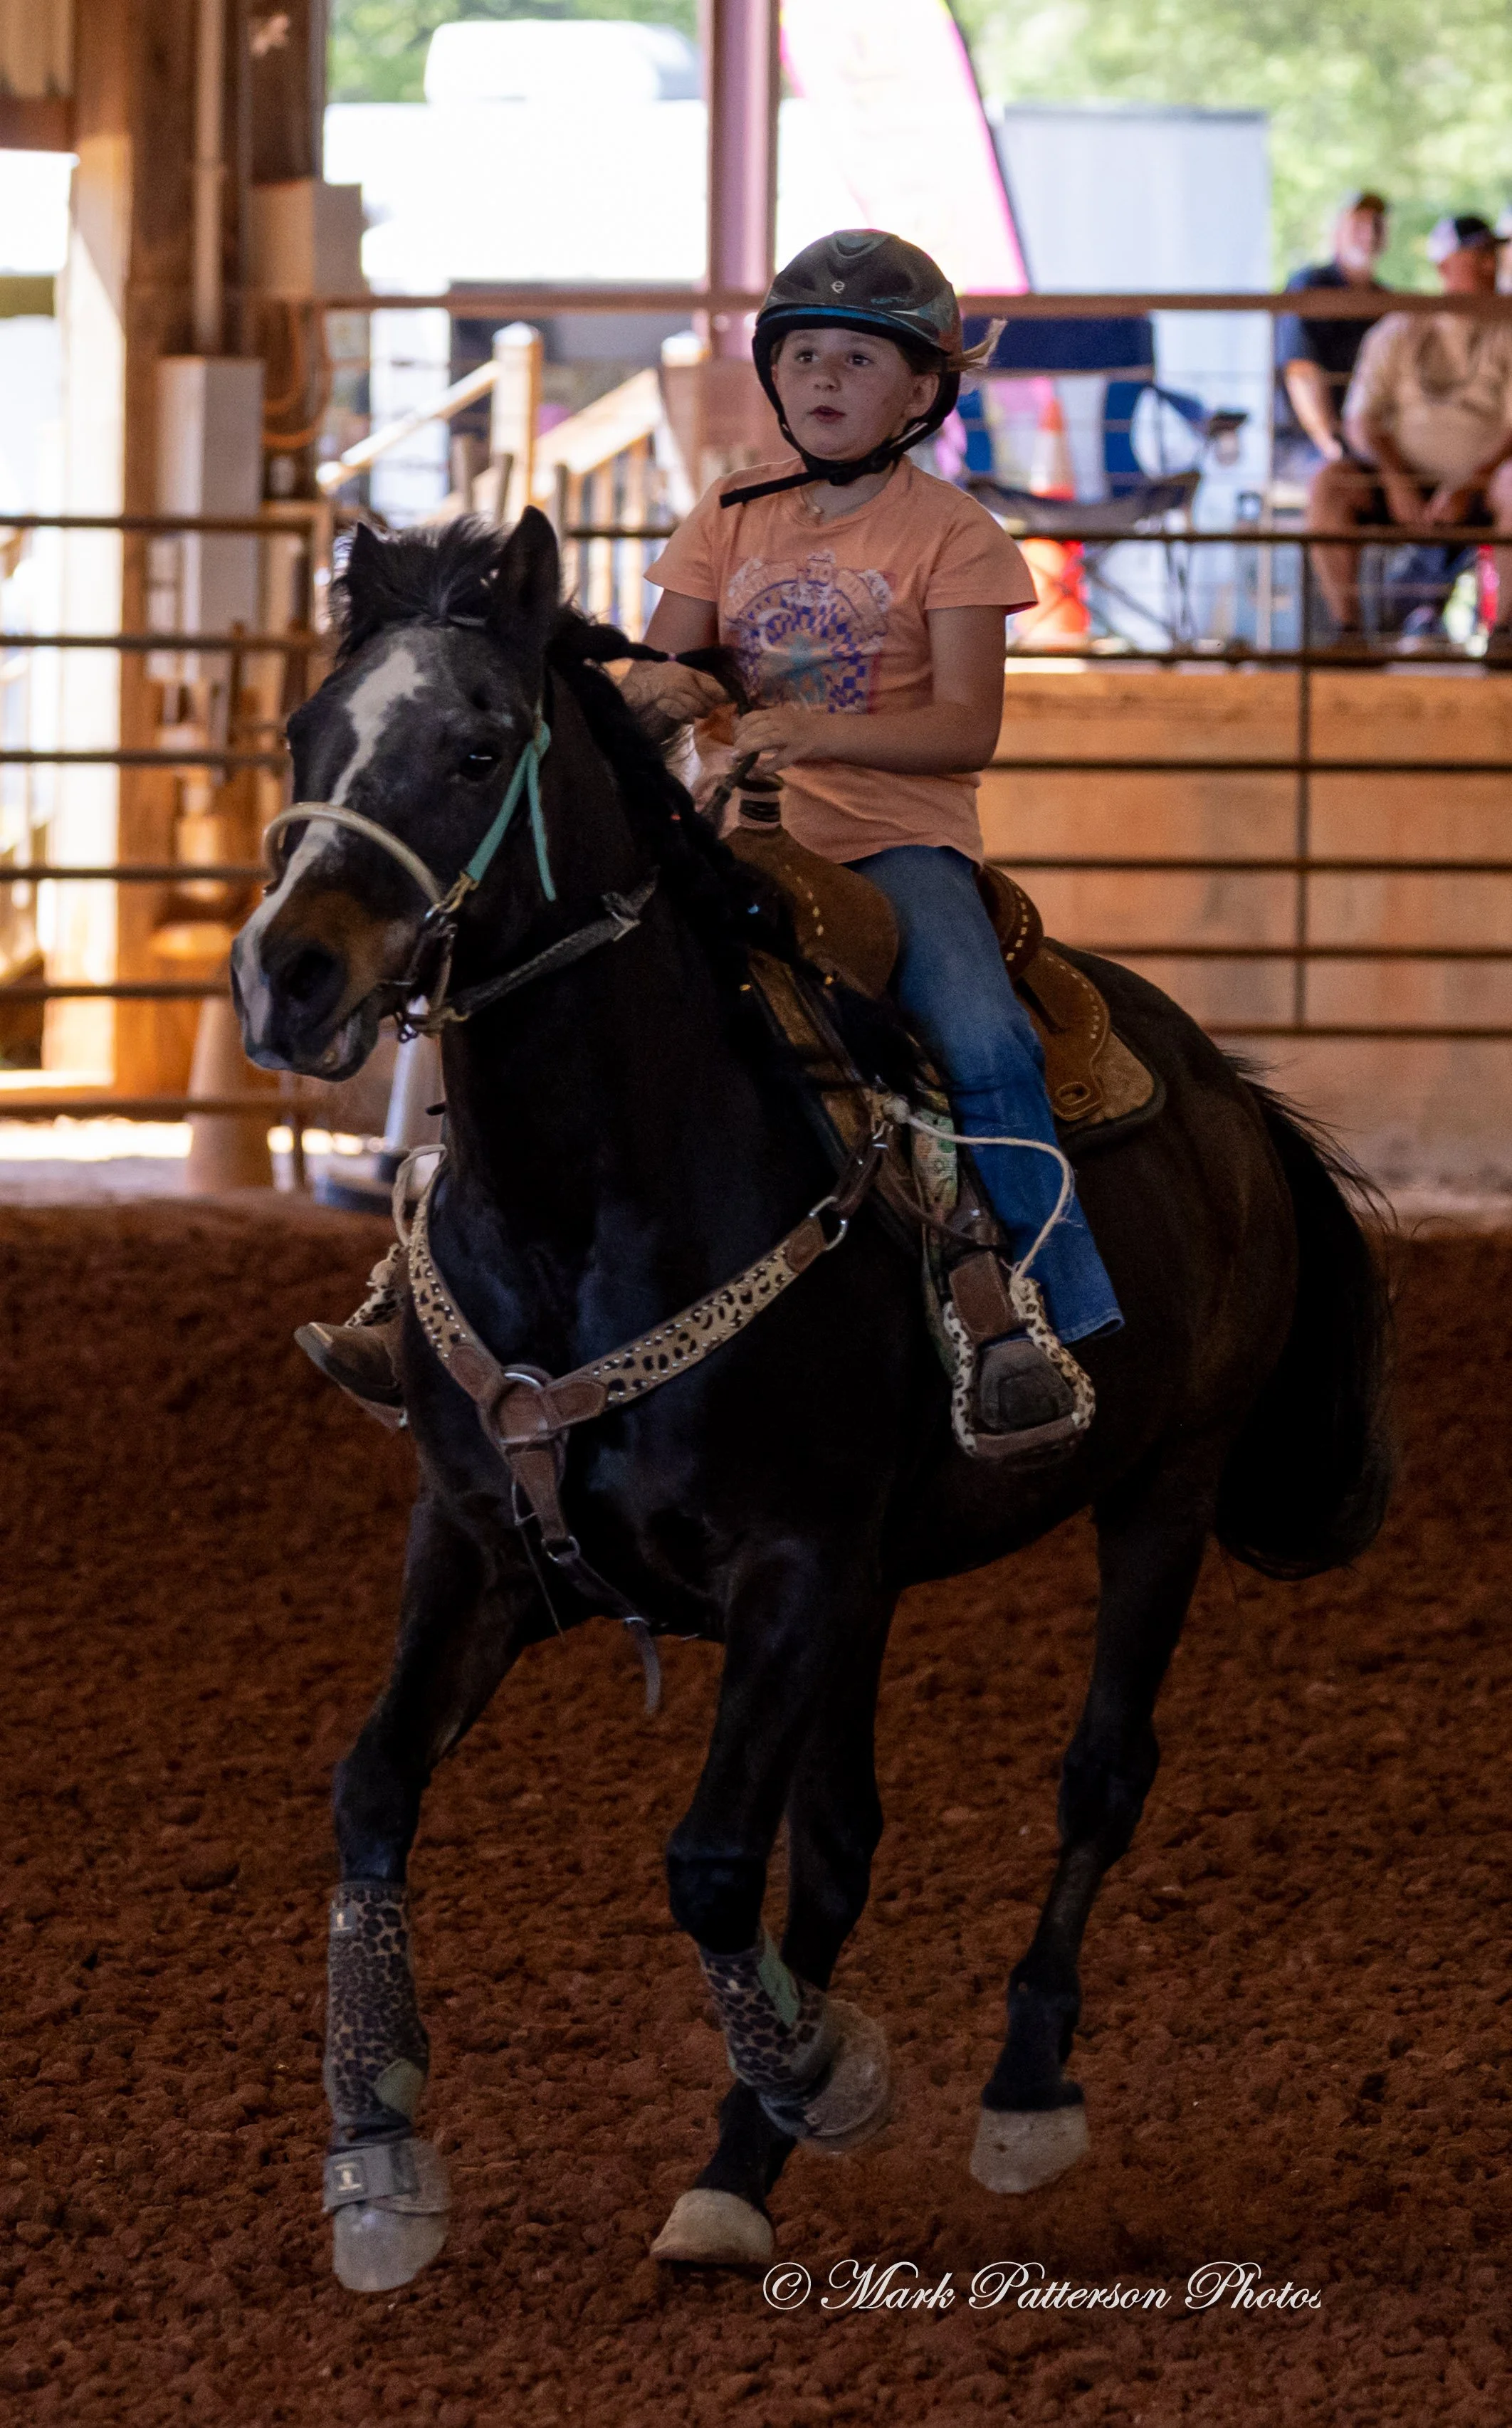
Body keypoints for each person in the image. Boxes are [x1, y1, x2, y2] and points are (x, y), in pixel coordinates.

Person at [637, 228, 1123, 1452]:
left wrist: (814, 730)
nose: (823, 378)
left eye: (858, 360)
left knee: (983, 1037)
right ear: (773, 374)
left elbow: (965, 728)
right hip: (725, 842)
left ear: (919, 394)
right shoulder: (727, 513)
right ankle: (445, 1284)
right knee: (560, 982)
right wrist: (643, 694)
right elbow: (662, 674)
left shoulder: (955, 535)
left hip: (893, 852)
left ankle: (1049, 1310)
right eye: (803, 354)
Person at [1308, 214, 1512, 658]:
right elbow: (1361, 419)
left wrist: (1473, 482)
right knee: (1330, 484)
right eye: (1476, 255)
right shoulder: (1399, 329)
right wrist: (1396, 478)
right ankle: (1348, 633)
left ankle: (1505, 636)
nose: (1488, 265)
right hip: (1400, 484)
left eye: (1491, 256)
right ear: (1444, 266)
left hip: (1487, 486)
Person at [1273, 191, 1392, 486]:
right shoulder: (1311, 287)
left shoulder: (1387, 301)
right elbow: (1301, 371)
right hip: (1308, 445)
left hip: (1370, 442)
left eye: (1376, 224)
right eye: (1359, 223)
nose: (1369, 232)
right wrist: (1331, 446)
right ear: (1337, 232)